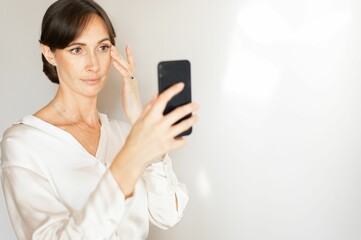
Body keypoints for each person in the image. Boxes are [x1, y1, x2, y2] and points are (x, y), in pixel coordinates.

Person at [0, 0, 199, 239]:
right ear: (49, 53)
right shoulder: (23, 143)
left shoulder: (126, 134)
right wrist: (129, 159)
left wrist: (139, 125)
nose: (93, 64)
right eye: (77, 49)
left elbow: (167, 215)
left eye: (102, 48)